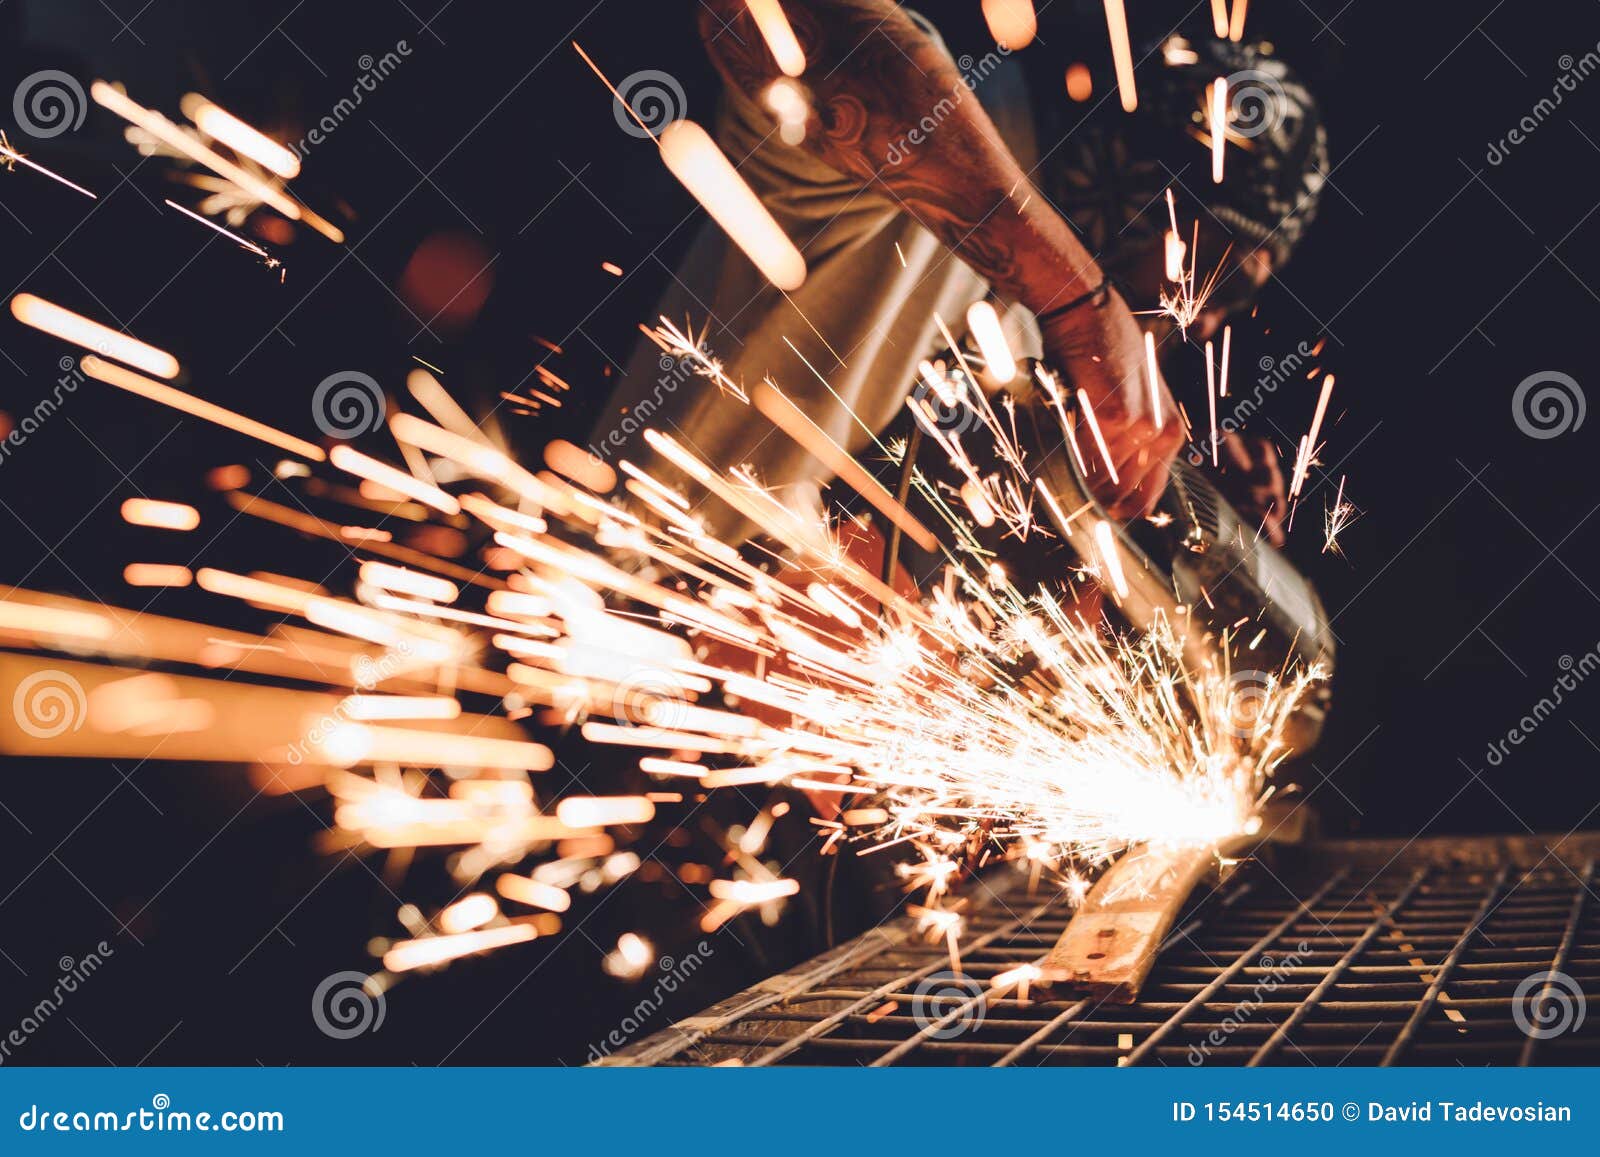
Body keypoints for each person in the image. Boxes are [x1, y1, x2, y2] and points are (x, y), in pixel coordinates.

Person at [593, 0, 1326, 564]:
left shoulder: (1028, 362)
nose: (1198, 316)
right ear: (1149, 180)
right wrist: (1079, 300)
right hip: (579, 596)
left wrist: (1194, 537)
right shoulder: (928, 151)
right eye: (1219, 268)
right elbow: (769, 21)